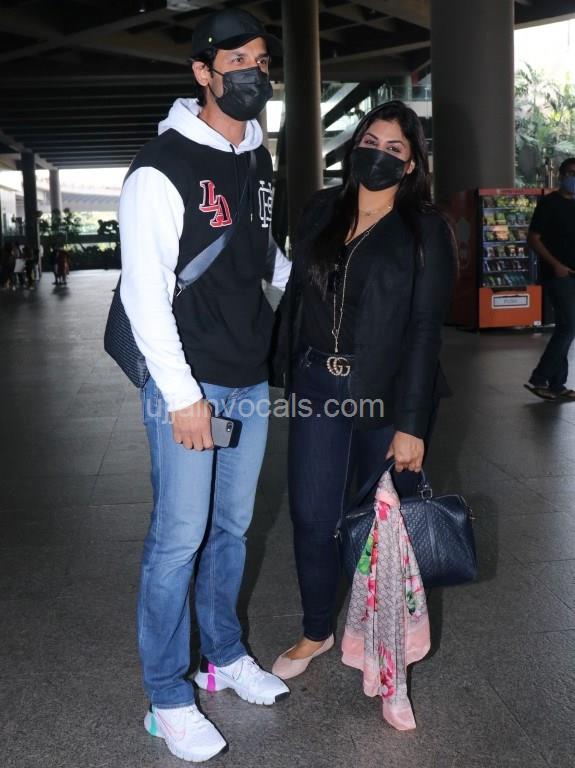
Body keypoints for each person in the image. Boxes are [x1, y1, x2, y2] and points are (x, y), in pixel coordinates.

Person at [118, 8, 291, 764]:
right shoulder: (160, 166)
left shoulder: (258, 158)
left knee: (231, 529)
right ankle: (166, 696)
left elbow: (262, 255)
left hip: (248, 377)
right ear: (203, 73)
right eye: (237, 61)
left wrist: (311, 283)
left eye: (262, 60)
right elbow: (143, 293)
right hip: (190, 386)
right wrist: (183, 398)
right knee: (178, 538)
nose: (254, 73)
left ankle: (221, 655)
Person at [270, 101, 455, 680]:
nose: (379, 154)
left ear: (411, 164)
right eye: (370, 142)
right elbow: (297, 292)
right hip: (317, 383)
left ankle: (382, 628)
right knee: (311, 513)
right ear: (354, 147)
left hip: (387, 392)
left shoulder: (425, 229)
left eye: (394, 148)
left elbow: (425, 330)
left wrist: (412, 426)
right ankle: (316, 629)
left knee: (380, 519)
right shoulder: (321, 209)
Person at [525, 157, 575, 401]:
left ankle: (557, 385)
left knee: (565, 328)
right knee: (569, 327)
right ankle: (540, 378)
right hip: (557, 275)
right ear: (562, 175)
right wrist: (556, 265)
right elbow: (533, 238)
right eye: (571, 173)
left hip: (573, 274)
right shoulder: (549, 203)